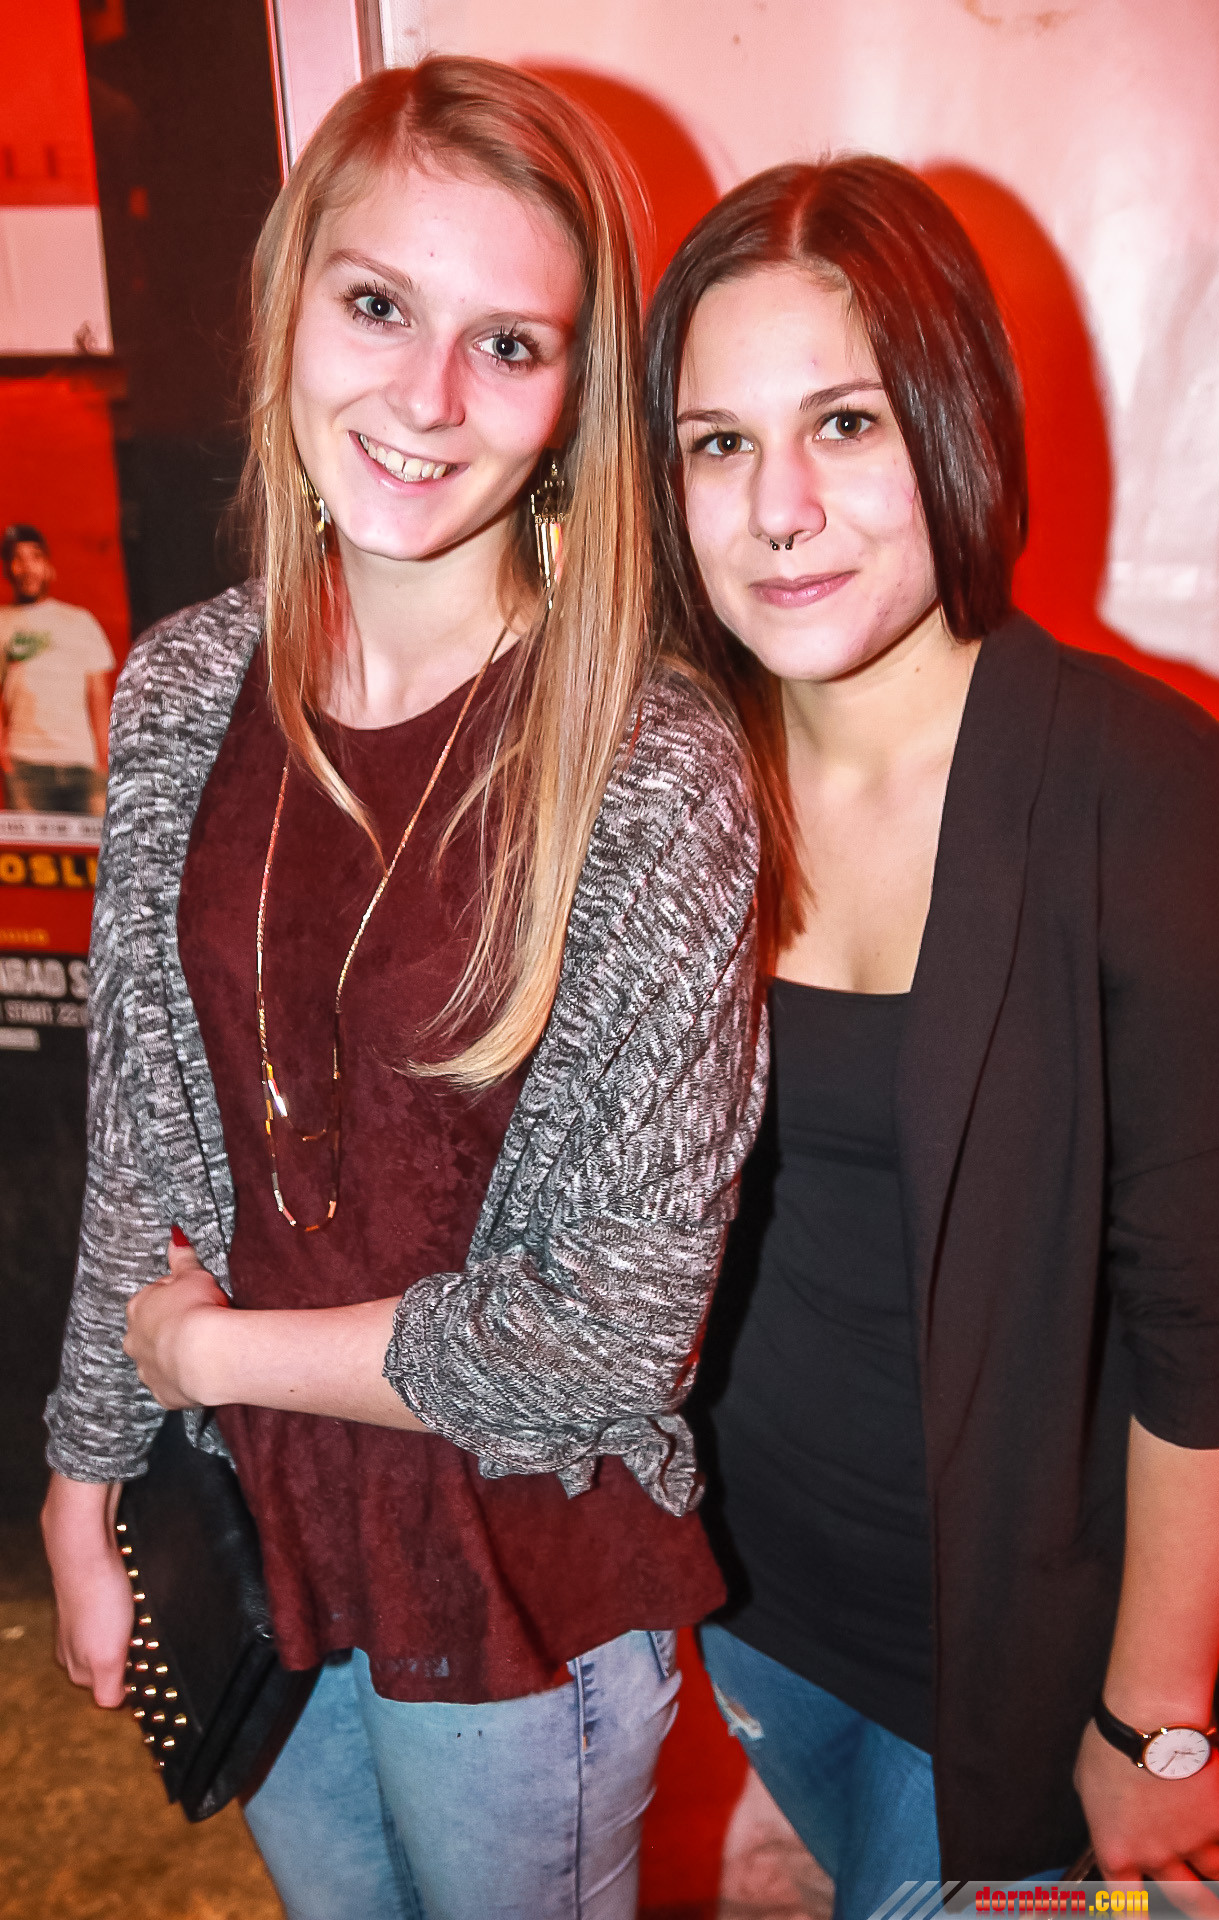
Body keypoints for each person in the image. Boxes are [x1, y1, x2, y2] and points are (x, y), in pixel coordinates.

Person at [41, 58, 767, 1920]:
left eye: (508, 344)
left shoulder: (649, 768)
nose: (428, 400)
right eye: (378, 306)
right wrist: (86, 1473)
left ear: (577, 396)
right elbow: (143, 1139)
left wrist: (210, 1358)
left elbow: (611, 1338)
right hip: (264, 1541)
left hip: (517, 1577)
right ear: (290, 302)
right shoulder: (183, 688)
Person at [643, 156, 1219, 1906]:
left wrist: (1156, 1720)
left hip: (1033, 1680)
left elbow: (1214, 1328)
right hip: (755, 1612)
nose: (779, 509)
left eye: (844, 424)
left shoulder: (1160, 797)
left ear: (955, 418)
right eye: (718, 443)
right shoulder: (676, 775)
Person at [0, 524, 113, 816]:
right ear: (8, 569)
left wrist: (103, 755)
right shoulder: (2, 622)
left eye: (35, 557)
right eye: (17, 559)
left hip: (84, 764)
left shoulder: (79, 621)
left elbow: (98, 694)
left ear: (48, 566)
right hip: (26, 765)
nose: (27, 567)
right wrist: (4, 754)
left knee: (97, 846)